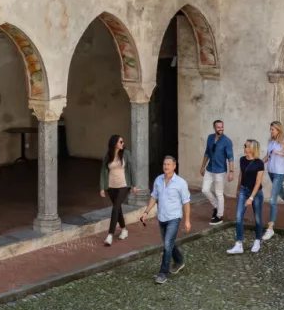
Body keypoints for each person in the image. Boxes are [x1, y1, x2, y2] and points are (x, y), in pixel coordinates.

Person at [139, 154, 192, 283]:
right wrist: (146, 212)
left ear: (174, 166)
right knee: (169, 243)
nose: (166, 166)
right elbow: (154, 197)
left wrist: (187, 220)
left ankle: (162, 273)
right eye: (164, 164)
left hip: (174, 217)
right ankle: (179, 261)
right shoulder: (158, 180)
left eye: (168, 164)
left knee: (167, 244)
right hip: (162, 217)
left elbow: (186, 202)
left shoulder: (181, 183)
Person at [227, 139, 267, 254]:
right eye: (244, 145)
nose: (244, 147)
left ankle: (257, 240)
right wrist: (238, 189)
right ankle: (239, 244)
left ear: (252, 148)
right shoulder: (242, 160)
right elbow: (241, 175)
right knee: (239, 217)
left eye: (246, 145)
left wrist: (251, 198)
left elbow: (258, 183)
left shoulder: (259, 163)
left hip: (256, 193)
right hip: (243, 190)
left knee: (258, 218)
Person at [98, 134, 134, 246]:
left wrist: (134, 185)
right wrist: (102, 187)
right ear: (115, 143)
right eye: (120, 142)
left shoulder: (126, 153)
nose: (123, 143)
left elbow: (131, 169)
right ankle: (124, 230)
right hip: (111, 186)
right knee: (118, 209)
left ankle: (110, 234)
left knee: (116, 207)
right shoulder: (108, 155)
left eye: (123, 142)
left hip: (124, 185)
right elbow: (103, 171)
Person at [200, 119, 234, 224]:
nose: (220, 129)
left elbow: (230, 157)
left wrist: (231, 171)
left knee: (219, 193)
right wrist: (202, 166)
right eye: (218, 127)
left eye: (222, 127)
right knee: (205, 190)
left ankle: (219, 216)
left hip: (220, 171)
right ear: (214, 128)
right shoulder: (210, 138)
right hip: (210, 168)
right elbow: (207, 153)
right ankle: (216, 206)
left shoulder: (227, 141)